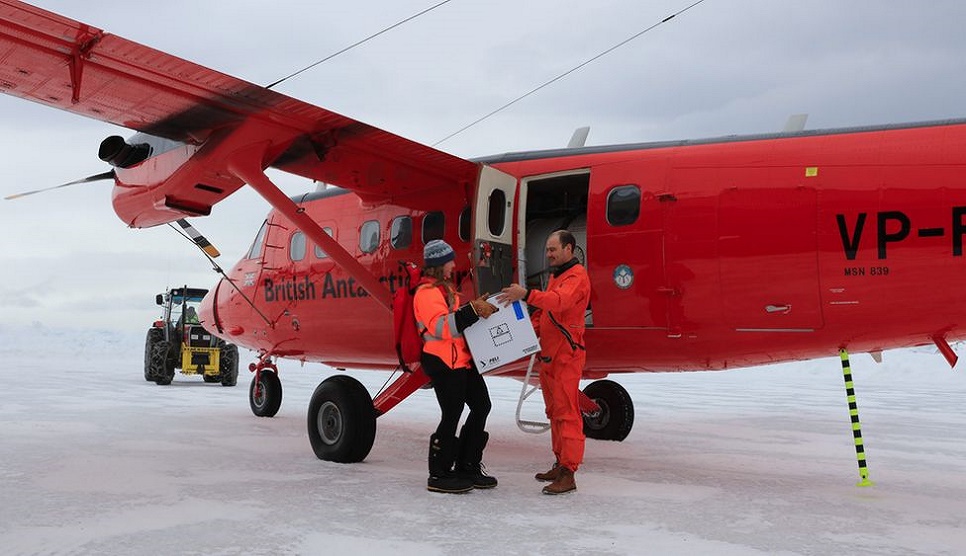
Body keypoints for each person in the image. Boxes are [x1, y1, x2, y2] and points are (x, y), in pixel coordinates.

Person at [498, 230, 590, 495]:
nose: (548, 254)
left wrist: (525, 295)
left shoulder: (577, 277)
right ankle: (560, 463)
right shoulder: (558, 275)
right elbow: (547, 314)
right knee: (554, 413)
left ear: (569, 248)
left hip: (566, 357)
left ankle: (568, 472)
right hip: (549, 356)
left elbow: (558, 303)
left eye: (553, 249)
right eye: (547, 250)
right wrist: (526, 333)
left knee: (567, 414)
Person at [414, 239, 500, 494]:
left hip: (460, 359)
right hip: (442, 362)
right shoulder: (426, 293)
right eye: (449, 260)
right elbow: (441, 328)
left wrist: (471, 308)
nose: (453, 264)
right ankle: (438, 474)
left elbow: (452, 321)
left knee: (482, 405)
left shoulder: (442, 291)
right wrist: (472, 310)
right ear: (440, 264)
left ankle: (467, 465)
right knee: (451, 414)